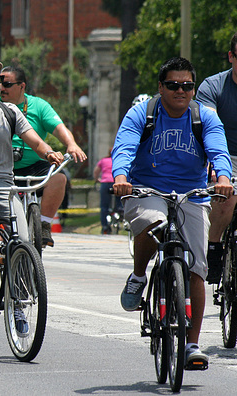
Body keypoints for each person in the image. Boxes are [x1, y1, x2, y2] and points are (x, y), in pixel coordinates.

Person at [112, 57, 233, 369]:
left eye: (187, 85)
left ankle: (192, 344)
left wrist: (222, 178)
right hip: (145, 189)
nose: (181, 90)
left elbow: (218, 150)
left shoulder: (204, 116)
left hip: (191, 193)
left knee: (198, 268)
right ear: (160, 87)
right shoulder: (143, 113)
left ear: (194, 88)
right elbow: (124, 146)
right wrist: (122, 177)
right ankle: (139, 275)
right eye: (173, 85)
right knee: (154, 223)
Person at [0, 60, 62, 282]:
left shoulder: (10, 112)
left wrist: (49, 153)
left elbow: (36, 142)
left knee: (22, 240)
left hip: (4, 184)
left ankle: (18, 299)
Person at [0, 65, 87, 248]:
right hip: (3, 167)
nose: (0, 88)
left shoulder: (39, 106)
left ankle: (44, 224)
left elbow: (59, 128)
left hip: (34, 166)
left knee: (59, 178)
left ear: (22, 86)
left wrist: (71, 144)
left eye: (6, 84)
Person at [196, 32, 237, 285]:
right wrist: (215, 166)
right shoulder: (213, 87)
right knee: (226, 196)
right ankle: (213, 249)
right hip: (224, 154)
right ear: (232, 56)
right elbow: (210, 130)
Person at [93, 148, 121, 234]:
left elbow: (96, 171)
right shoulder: (119, 160)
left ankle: (104, 226)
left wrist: (97, 179)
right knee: (120, 201)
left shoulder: (103, 160)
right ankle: (120, 212)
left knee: (104, 206)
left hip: (105, 183)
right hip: (116, 182)